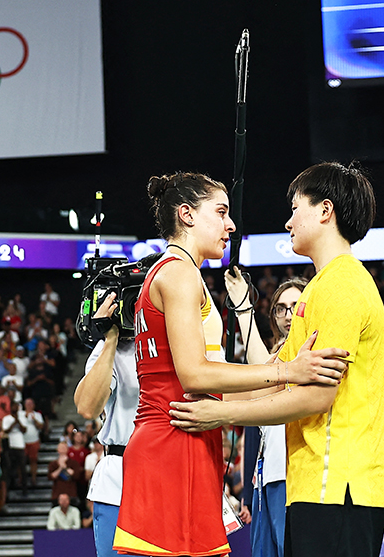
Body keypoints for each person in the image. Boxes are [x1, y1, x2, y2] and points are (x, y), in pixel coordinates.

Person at [114, 172, 347, 557]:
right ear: (187, 215)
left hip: (182, 437)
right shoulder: (179, 273)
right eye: (221, 212)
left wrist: (282, 375)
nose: (231, 224)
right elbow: (194, 374)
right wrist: (287, 371)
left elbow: (208, 377)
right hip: (173, 438)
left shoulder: (171, 272)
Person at [169, 163, 384, 557]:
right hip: (314, 482)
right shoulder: (319, 287)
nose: (288, 222)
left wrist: (220, 415)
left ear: (325, 211)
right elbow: (276, 377)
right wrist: (208, 396)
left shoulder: (341, 285)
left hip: (342, 483)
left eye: (295, 209)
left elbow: (316, 397)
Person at [223, 274, 308, 557]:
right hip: (265, 481)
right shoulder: (277, 356)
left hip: (296, 479)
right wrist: (248, 490)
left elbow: (263, 374)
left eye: (295, 306)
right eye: (281, 308)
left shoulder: (310, 355)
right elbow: (254, 433)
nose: (287, 314)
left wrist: (243, 308)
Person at [73, 293, 140, 557]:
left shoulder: (178, 343)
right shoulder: (108, 349)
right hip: (119, 478)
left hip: (168, 473)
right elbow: (87, 408)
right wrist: (110, 337)